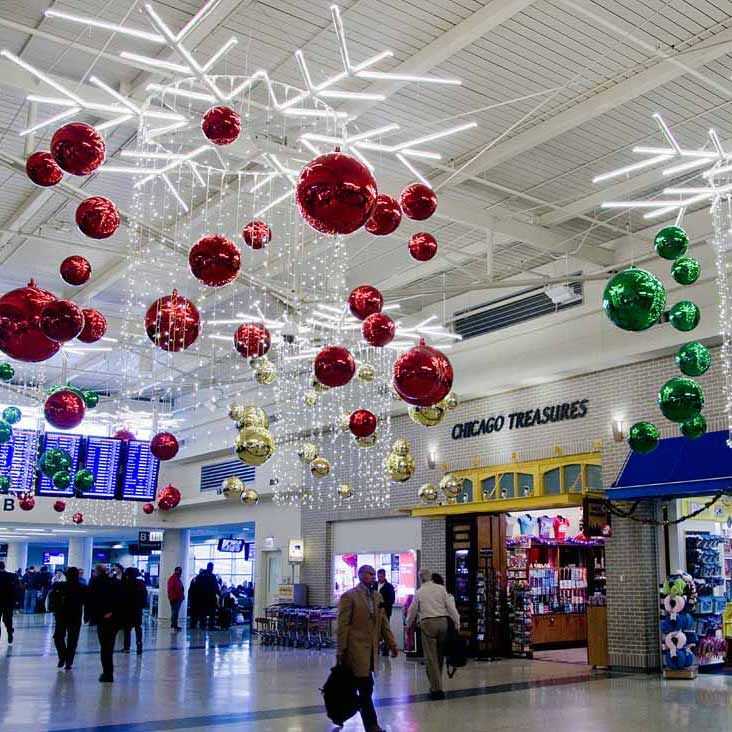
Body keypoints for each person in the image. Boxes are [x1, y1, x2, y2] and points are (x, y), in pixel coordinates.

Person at [336, 564, 398, 732]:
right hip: (355, 650)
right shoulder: (349, 597)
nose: (373, 577)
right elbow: (343, 626)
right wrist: (341, 650)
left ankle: (341, 712)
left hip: (372, 652)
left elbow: (383, 624)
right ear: (361, 575)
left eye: (374, 574)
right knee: (365, 687)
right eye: (370, 574)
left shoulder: (377, 597)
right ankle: (372, 725)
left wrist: (392, 644)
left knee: (363, 688)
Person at [406, 568, 461, 700]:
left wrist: (408, 623)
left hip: (428, 624)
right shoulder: (441, 589)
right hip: (443, 623)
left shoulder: (419, 592)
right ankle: (437, 683)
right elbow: (450, 607)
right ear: (430, 577)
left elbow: (412, 610)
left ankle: (437, 689)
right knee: (439, 656)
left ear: (420, 578)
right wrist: (457, 622)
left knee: (430, 658)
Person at [85, 564, 122, 682]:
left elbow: (90, 599)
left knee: (105, 647)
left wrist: (89, 616)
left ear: (97, 571)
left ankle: (107, 673)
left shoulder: (95, 582)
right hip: (115, 618)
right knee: (109, 646)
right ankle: (108, 672)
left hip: (102, 618)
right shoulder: (115, 582)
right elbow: (120, 599)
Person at [50, 566, 86, 670]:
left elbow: (52, 597)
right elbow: (87, 601)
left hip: (61, 615)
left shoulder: (59, 586)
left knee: (58, 636)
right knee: (73, 639)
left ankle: (62, 655)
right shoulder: (82, 587)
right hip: (76, 615)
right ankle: (69, 661)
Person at [121, 567, 147, 654]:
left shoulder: (125, 583)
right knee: (138, 628)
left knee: (127, 629)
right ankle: (139, 646)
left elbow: (121, 597)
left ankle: (126, 647)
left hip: (127, 609)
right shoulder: (141, 583)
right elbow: (144, 595)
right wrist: (142, 605)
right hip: (137, 609)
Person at [376, 569, 395, 656]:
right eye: (378, 576)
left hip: (386, 612)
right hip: (375, 613)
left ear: (384, 576)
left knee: (385, 630)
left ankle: (386, 650)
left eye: (381, 576)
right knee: (376, 631)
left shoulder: (389, 587)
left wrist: (382, 605)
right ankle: (376, 649)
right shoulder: (374, 585)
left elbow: (391, 600)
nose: (379, 578)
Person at [0, 560, 18, 644]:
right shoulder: (12, 576)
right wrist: (16, 601)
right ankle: (10, 631)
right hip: (8, 602)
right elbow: (15, 590)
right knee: (7, 619)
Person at [167, 566, 185, 631]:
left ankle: (174, 624)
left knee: (175, 612)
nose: (180, 572)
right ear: (176, 571)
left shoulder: (177, 579)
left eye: (181, 571)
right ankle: (174, 625)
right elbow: (171, 589)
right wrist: (174, 597)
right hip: (175, 598)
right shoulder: (173, 579)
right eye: (179, 570)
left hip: (177, 598)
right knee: (175, 612)